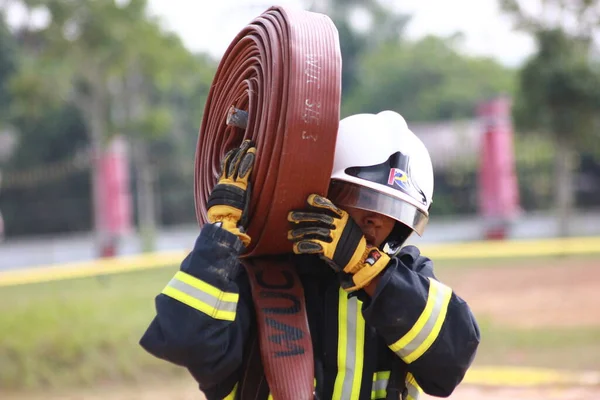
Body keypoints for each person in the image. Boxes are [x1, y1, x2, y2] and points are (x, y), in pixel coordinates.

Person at [140, 110, 480, 400]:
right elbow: (185, 340)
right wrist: (221, 236)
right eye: (366, 202)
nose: (378, 221)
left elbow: (452, 359)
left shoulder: (408, 279)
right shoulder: (256, 276)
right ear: (323, 192)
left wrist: (368, 268)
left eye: (397, 212)